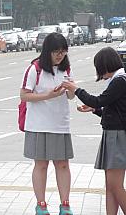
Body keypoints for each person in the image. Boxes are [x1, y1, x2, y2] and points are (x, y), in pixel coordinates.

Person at [62, 47, 126, 215]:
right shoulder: (119, 79)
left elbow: (99, 100)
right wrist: (93, 109)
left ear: (105, 65)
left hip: (118, 136)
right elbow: (113, 109)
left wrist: (75, 89)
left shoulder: (120, 80)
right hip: (113, 134)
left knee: (115, 185)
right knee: (110, 186)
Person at [20, 32, 75, 215]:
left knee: (63, 164)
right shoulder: (34, 69)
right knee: (41, 165)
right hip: (38, 125)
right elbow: (24, 95)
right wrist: (48, 95)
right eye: (56, 52)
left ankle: (65, 204)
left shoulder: (66, 69)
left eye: (63, 52)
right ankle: (41, 204)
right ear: (47, 51)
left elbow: (71, 96)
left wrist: (70, 89)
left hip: (60, 124)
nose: (60, 55)